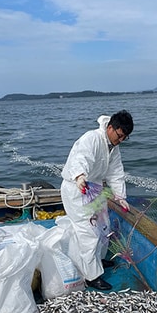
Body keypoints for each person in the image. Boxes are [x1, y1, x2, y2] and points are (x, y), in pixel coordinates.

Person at [60, 110, 133, 291]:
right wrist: (79, 176)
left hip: (94, 189)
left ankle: (99, 260)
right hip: (77, 189)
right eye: (120, 135)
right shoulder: (91, 138)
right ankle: (92, 276)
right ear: (110, 128)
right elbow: (81, 157)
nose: (121, 140)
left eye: (125, 138)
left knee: (103, 226)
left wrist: (120, 197)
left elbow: (116, 173)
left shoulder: (113, 148)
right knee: (89, 232)